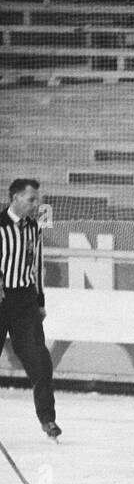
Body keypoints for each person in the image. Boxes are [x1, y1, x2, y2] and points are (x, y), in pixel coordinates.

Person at [0, 177, 59, 440]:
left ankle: (47, 420)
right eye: (31, 199)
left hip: (25, 301)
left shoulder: (34, 227)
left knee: (40, 362)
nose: (36, 204)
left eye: (37, 199)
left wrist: (40, 302)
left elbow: (37, 266)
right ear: (15, 198)